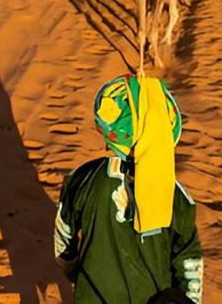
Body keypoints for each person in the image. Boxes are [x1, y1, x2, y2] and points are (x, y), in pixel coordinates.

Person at [54, 75, 203, 303]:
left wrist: (75, 270)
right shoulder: (177, 197)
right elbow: (189, 262)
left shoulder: (83, 178)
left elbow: (63, 240)